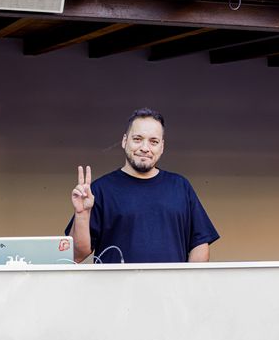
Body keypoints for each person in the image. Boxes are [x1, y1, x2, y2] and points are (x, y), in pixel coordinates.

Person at [66, 107, 219, 263]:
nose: (145, 148)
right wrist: (82, 215)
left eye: (153, 142)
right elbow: (75, 256)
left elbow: (199, 243)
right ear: (125, 141)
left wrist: (190, 284)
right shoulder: (100, 190)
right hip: (116, 287)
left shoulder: (180, 187)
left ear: (162, 147)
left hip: (171, 287)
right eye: (137, 139)